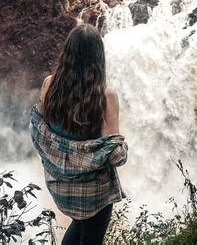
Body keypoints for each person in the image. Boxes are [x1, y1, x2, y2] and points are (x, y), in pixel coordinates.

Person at [29, 23, 127, 245]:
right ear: (98, 57)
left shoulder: (49, 84)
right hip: (93, 193)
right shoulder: (105, 97)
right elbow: (115, 154)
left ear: (67, 52)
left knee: (79, 226)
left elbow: (39, 129)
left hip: (61, 185)